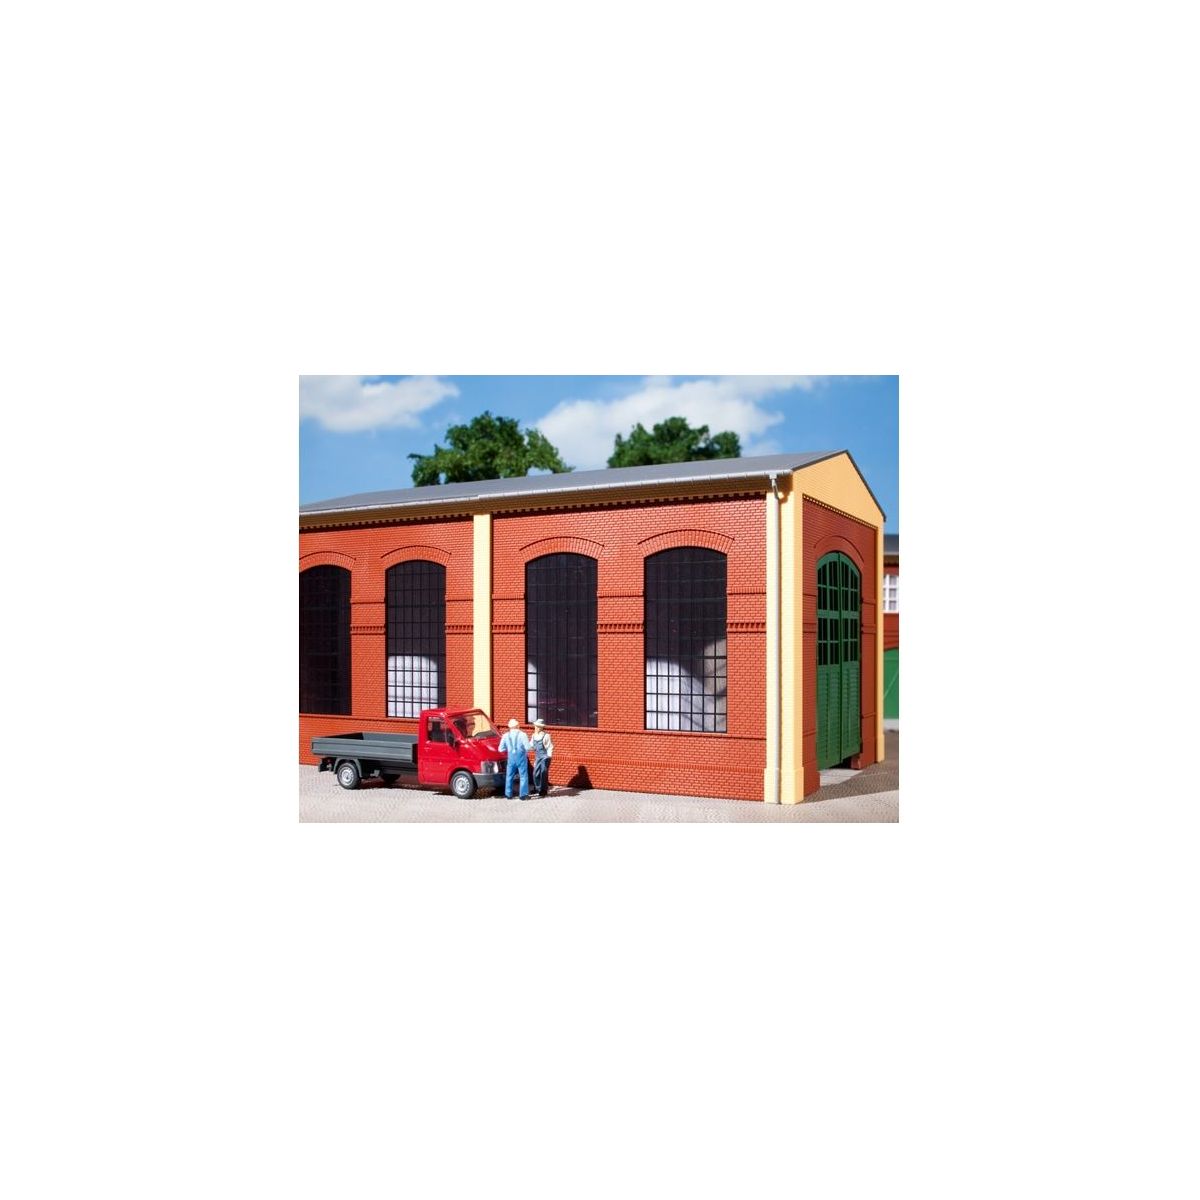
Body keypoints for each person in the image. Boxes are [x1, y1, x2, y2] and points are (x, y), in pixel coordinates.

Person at [499, 718, 531, 799]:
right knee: (523, 776)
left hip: (511, 758)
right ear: (517, 726)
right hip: (521, 757)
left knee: (509, 776)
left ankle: (508, 794)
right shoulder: (523, 735)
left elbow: (501, 749)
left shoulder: (505, 735)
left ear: (509, 727)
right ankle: (523, 795)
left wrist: (508, 749)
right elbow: (528, 747)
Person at [530, 718, 554, 797]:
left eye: (536, 726)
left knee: (543, 773)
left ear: (540, 727)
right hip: (538, 757)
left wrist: (549, 756)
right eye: (535, 726)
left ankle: (543, 790)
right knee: (535, 773)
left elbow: (550, 746)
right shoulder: (533, 736)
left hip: (545, 757)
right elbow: (531, 745)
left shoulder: (546, 736)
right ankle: (537, 788)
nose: (535, 728)